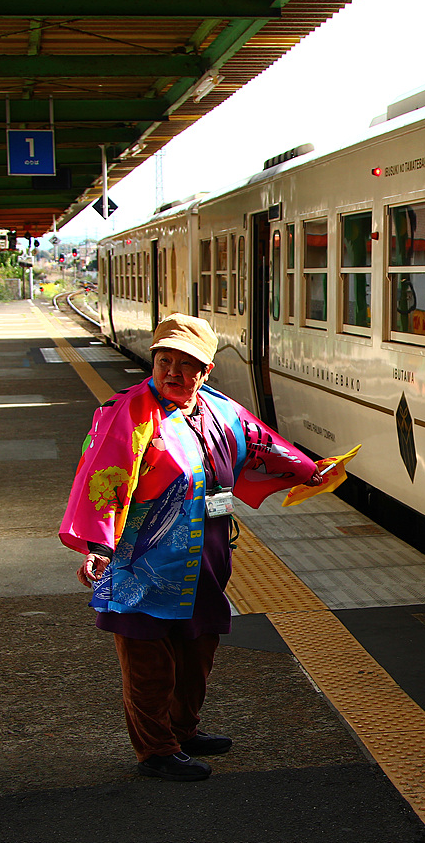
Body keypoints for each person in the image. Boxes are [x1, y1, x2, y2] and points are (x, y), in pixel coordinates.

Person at [60, 314, 322, 781]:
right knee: (148, 656)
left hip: (205, 554)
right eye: (165, 361)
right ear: (153, 361)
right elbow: (102, 478)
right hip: (144, 562)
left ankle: (182, 729)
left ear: (206, 372)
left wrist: (308, 470)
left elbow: (262, 446)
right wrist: (97, 547)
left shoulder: (218, 409)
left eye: (187, 365)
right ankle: (156, 749)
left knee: (197, 648)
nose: (173, 373)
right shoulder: (129, 412)